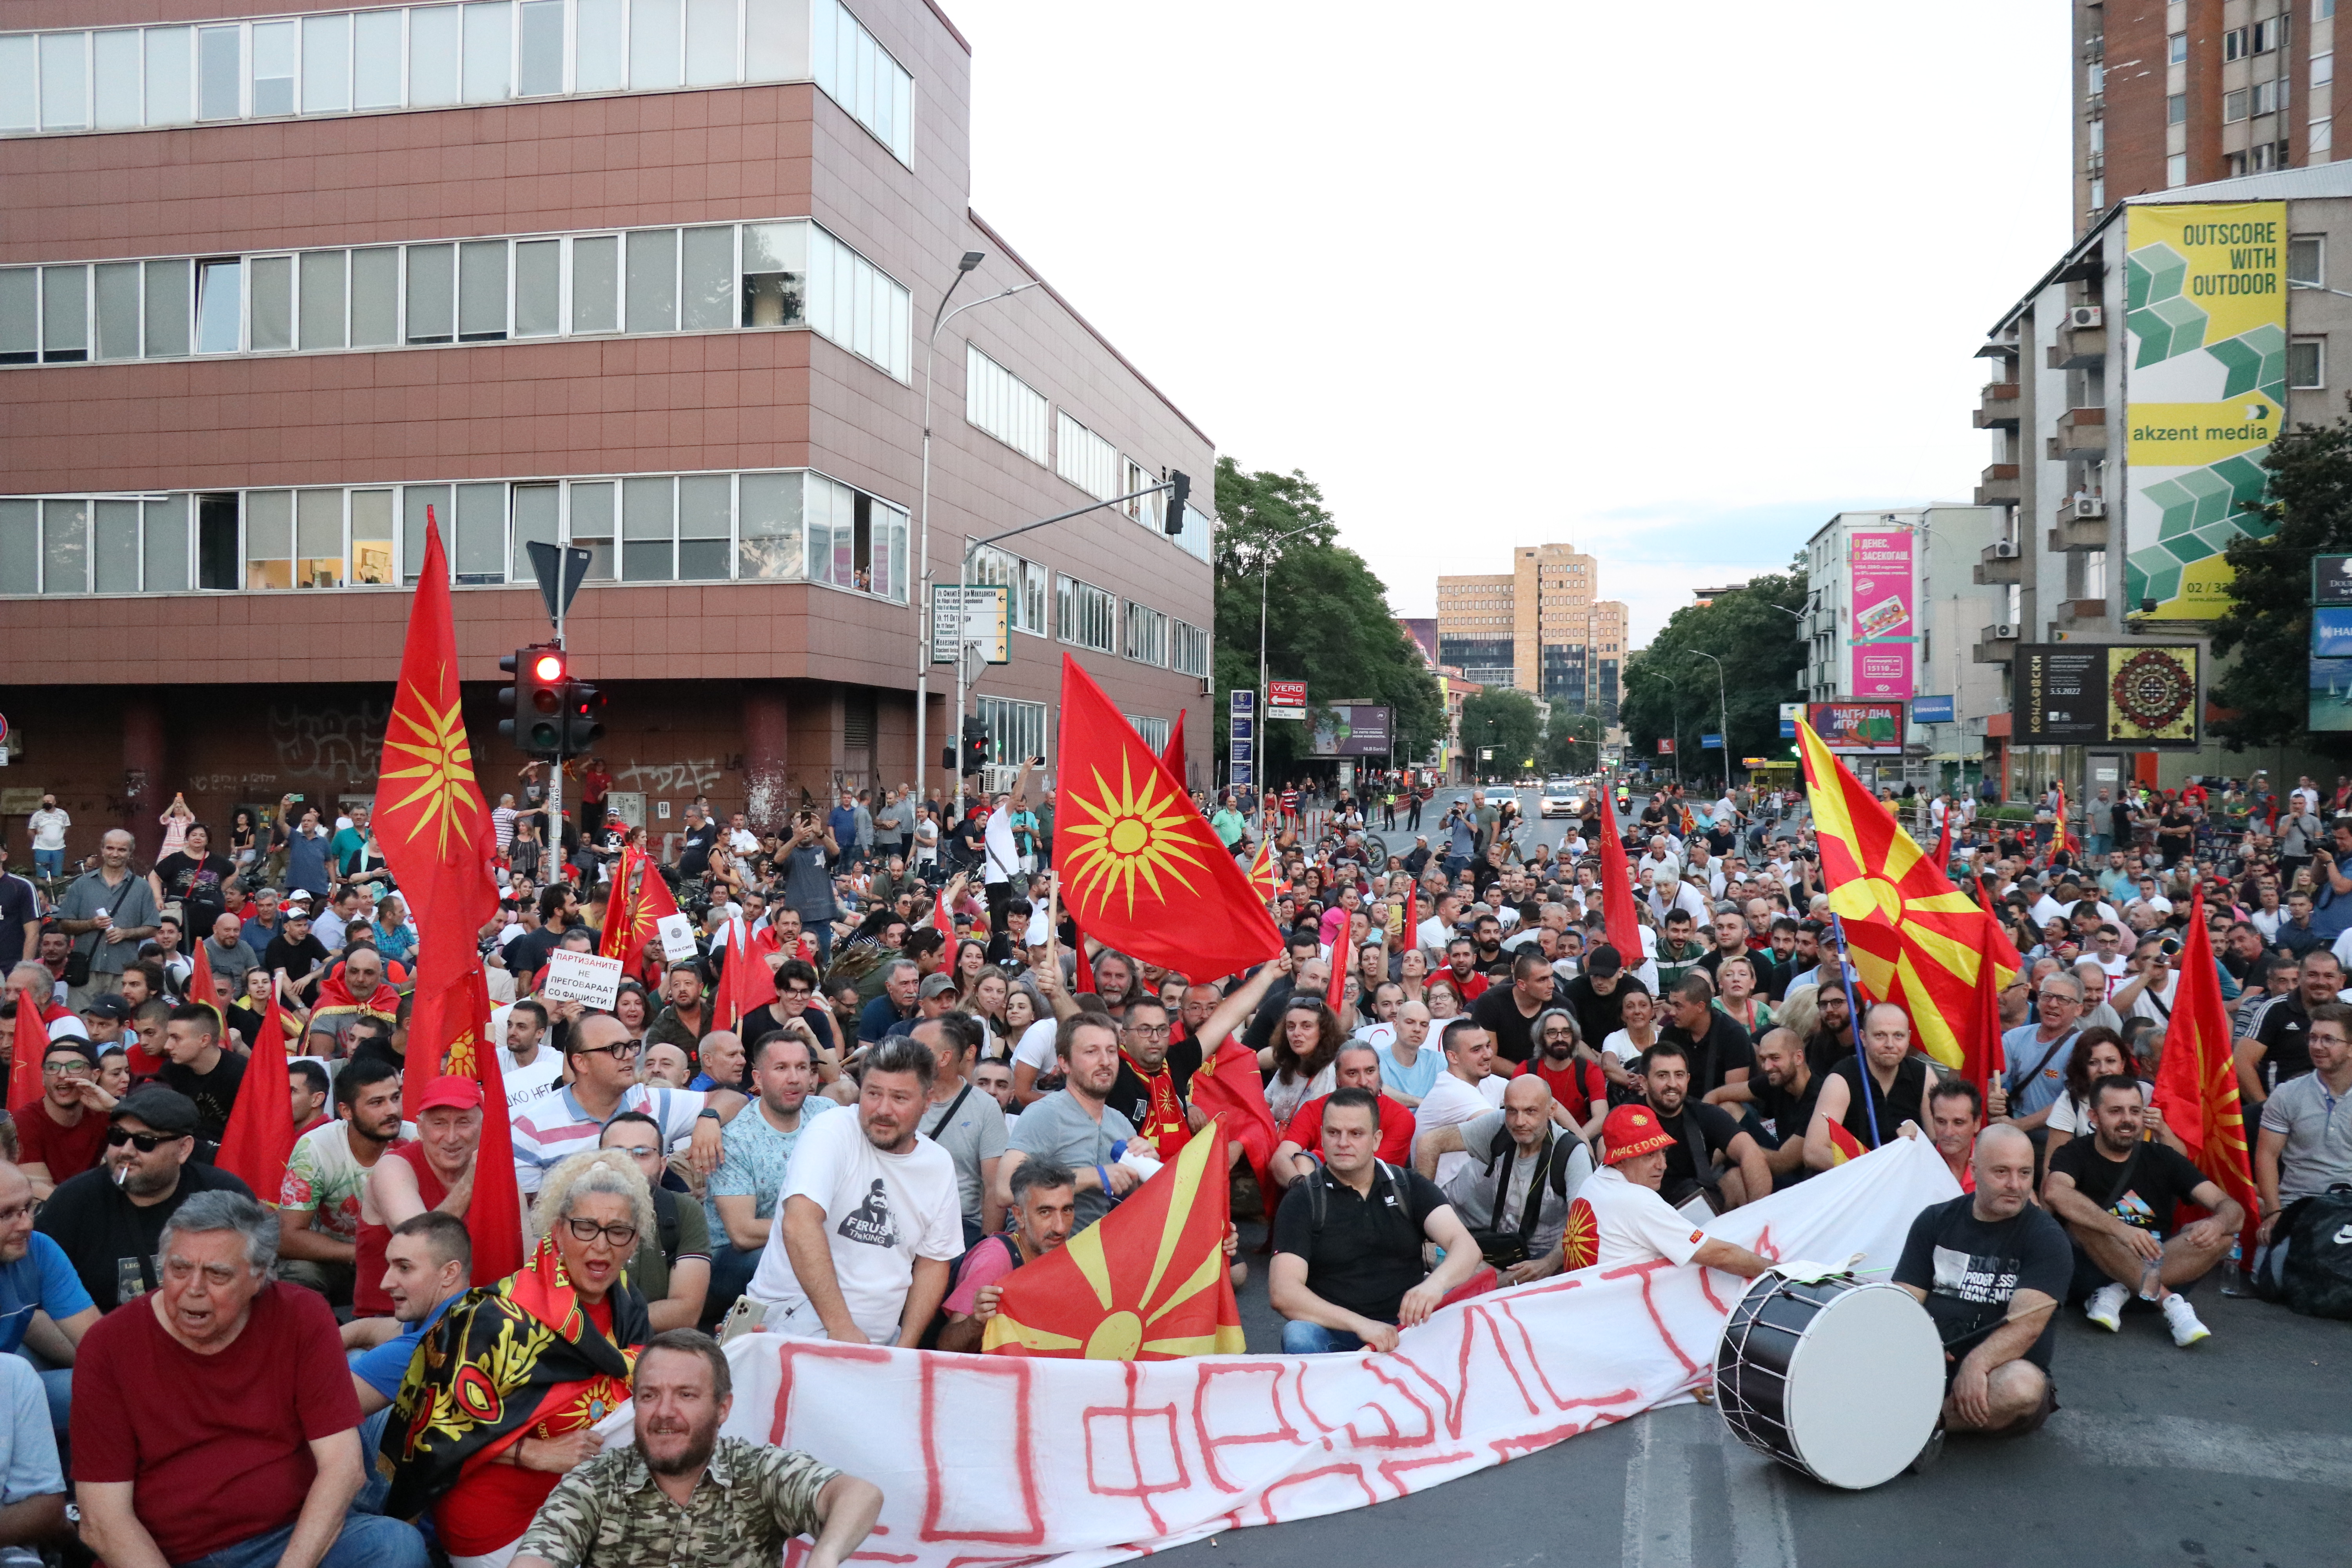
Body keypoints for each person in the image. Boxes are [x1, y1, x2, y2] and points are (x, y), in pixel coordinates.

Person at [73, 1191, 429, 1568]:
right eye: (178, 1269)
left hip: (289, 1536)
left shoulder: (301, 1316)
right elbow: (101, 1520)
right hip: (170, 1556)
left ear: (258, 1277)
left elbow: (343, 1466)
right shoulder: (110, 1345)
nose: (193, 1288)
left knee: (396, 1546)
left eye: (217, 1274)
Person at [384, 1150, 654, 1568]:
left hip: (588, 1499)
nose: (601, 1245)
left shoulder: (629, 1304)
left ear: (634, 1240)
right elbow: (437, 1430)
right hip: (497, 1516)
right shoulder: (493, 1318)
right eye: (586, 1228)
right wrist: (535, 1453)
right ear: (559, 1231)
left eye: (618, 1231)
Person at [510, 1328, 882, 1568]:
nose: (665, 1413)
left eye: (686, 1395)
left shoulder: (755, 1471)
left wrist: (825, 1557)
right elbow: (538, 1556)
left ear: (723, 1408)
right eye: (650, 1395)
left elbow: (859, 1495)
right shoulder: (596, 1482)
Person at [733, 1035, 961, 1347]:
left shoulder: (939, 1164)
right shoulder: (833, 1129)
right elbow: (800, 1223)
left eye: (899, 1098)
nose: (883, 1109)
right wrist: (841, 1329)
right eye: (873, 1093)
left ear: (927, 1101)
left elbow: (934, 1261)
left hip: (880, 1340)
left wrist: (905, 1348)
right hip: (789, 1322)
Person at [1269, 1088, 1483, 1353]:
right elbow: (1284, 1292)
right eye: (1333, 1133)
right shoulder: (1303, 1200)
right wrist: (1361, 1325)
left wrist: (1434, 1286)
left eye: (1356, 1134)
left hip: (1410, 1327)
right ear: (1322, 1137)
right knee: (1298, 1334)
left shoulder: (1407, 1185)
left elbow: (1466, 1246)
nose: (1343, 1143)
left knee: (1470, 1316)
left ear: (1376, 1139)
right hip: (1340, 1330)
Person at [1891, 1124, 2069, 1435]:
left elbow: (2026, 1325)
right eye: (2001, 1172)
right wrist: (1921, 1343)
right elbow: (1903, 1302)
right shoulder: (1934, 1221)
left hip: (2000, 1370)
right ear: (1975, 1168)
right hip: (1930, 1357)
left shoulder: (2047, 1238)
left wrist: (1977, 1363)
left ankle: (1921, 1427)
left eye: (2025, 1173)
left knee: (2022, 1387)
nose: (2015, 1184)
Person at [2043, 1076, 2239, 1347]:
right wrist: (2121, 1231)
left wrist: (2218, 1223)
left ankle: (2122, 1288)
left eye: (2135, 1111)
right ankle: (2169, 1302)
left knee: (2224, 1236)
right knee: (2081, 1223)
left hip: (2157, 1266)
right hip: (2094, 1271)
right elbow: (2055, 1192)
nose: (2127, 1120)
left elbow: (2232, 1209)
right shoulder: (2074, 1153)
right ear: (2094, 1117)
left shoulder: (2164, 1157)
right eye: (2115, 1111)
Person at [34, 1085, 254, 1312]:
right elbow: (31, 1299)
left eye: (145, 1141)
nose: (126, 1151)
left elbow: (255, 1283)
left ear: (183, 1149)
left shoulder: (224, 1196)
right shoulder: (74, 1201)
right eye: (118, 1137)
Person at [510, 1012, 739, 1196]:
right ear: (581, 1062)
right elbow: (529, 1218)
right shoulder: (530, 1131)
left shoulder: (652, 1101)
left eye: (631, 1047)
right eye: (616, 1049)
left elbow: (734, 1100)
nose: (630, 1056)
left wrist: (709, 1117)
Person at [704, 1031, 840, 1324]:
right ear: (759, 1077)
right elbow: (742, 1233)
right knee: (790, 1260)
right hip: (735, 1258)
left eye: (802, 1068)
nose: (794, 1078)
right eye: (781, 1068)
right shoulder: (736, 1137)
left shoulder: (828, 1117)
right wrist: (812, 1229)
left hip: (816, 1238)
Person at [1411, 1076, 1593, 1284]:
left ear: (1552, 1110)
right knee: (1423, 1251)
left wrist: (1549, 1264)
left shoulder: (1571, 1153)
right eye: (1512, 1111)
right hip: (1499, 1252)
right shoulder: (1500, 1126)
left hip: (1544, 1265)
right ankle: (1496, 1283)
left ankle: (1495, 1285)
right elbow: (1429, 1143)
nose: (1520, 1121)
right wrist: (1424, 1222)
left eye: (1531, 1111)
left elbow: (1583, 1226)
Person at [1564, 1104, 1773, 1276]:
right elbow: (1719, 1256)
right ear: (1619, 1162)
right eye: (1649, 1156)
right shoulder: (1637, 1201)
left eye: (1662, 1152)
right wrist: (1782, 1272)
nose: (1662, 1165)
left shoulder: (1593, 1182)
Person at [278, 1056, 406, 1301]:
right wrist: (361, 1254)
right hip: (337, 1260)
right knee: (297, 1275)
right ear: (346, 1111)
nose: (392, 1110)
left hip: (406, 1262)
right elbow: (288, 1237)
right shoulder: (315, 1147)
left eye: (396, 1098)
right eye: (377, 1102)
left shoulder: (415, 1139)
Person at [996, 1014, 1140, 1232]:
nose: (1105, 1061)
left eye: (1112, 1051)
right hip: (1043, 1257)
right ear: (1064, 1063)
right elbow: (1005, 1190)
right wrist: (1094, 1176)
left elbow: (1138, 1198)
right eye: (1091, 1052)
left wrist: (1145, 1169)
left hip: (1097, 1257)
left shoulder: (1121, 1124)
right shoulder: (1045, 1114)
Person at [2253, 1000, 2352, 1290]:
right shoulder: (2287, 1095)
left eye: (2329, 1039)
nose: (2317, 1046)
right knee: (2271, 1279)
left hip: (2348, 1209)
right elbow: (2267, 1156)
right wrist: (2274, 1213)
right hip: (2297, 1207)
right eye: (2313, 1038)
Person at [935, 1158, 1079, 1354]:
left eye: (1067, 1210)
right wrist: (978, 1321)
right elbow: (946, 1348)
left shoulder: (1062, 1254)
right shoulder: (995, 1259)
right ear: (1019, 1216)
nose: (1060, 1227)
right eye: (1045, 1212)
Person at [0, 1159, 98, 1438]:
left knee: (112, 1386)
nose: (27, 1224)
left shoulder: (40, 1250)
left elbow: (98, 1342)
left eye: (29, 1207)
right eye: (7, 1214)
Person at [595, 1113, 712, 1333]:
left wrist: (602, 1324)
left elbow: (687, 1312)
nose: (628, 1163)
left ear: (662, 1164)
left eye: (642, 1154)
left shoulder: (683, 1211)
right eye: (616, 1153)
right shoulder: (571, 1212)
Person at [1637, 1041, 1769, 1212]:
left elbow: (1751, 1153)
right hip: (1647, 1212)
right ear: (1644, 1082)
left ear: (1688, 1079)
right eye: (1663, 1076)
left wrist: (1759, 1215)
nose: (1672, 1084)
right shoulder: (1627, 1117)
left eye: (1679, 1075)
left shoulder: (1703, 1113)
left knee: (1737, 1179)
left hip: (1697, 1206)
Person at [913, 1015, 1008, 1246]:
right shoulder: (902, 1100)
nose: (906, 1053)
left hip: (960, 1226)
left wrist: (985, 1250)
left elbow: (994, 1187)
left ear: (944, 1058)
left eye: (916, 1048)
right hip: (905, 1219)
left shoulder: (985, 1108)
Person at [1805, 1002, 1935, 1166]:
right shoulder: (1843, 1078)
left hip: (1910, 1177)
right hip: (1860, 1181)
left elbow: (1937, 1143)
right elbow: (1814, 1152)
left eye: (1899, 1036)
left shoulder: (1923, 1075)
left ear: (1909, 1038)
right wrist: (1875, 1169)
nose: (1890, 1044)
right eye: (1880, 1035)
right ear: (1863, 1038)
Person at [1272, 1043, 1416, 1186]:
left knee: (1304, 1161)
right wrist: (1302, 1187)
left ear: (1379, 1073)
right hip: (1317, 1187)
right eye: (1352, 1073)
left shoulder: (1401, 1117)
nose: (1363, 1082)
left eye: (1370, 1071)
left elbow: (1364, 1172)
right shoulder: (1314, 1108)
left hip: (1374, 1198)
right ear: (1337, 1079)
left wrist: (1313, 1160)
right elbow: (1280, 1158)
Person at [53, 830, 161, 1009]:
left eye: (122, 850)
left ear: (130, 853)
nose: (115, 854)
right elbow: (63, 924)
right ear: (102, 850)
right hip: (86, 970)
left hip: (123, 973)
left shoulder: (141, 888)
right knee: (80, 1025)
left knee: (115, 1025)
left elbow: (153, 927)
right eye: (110, 848)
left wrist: (126, 933)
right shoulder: (83, 884)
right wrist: (90, 924)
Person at [14, 1037, 115, 1198]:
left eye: (75, 1067)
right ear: (43, 1076)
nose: (62, 1075)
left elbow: (155, 1138)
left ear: (95, 1076)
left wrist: (114, 1107)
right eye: (52, 1067)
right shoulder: (24, 1121)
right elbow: (42, 1191)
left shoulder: (103, 1113)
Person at [1412, 1018, 1509, 1185]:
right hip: (1449, 1188)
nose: (1488, 1055)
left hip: (1470, 1181)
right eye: (1477, 1050)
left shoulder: (1484, 1079)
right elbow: (1501, 1128)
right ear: (1453, 1057)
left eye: (1488, 1046)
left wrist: (1570, 1134)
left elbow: (1539, 1097)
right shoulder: (1452, 1091)